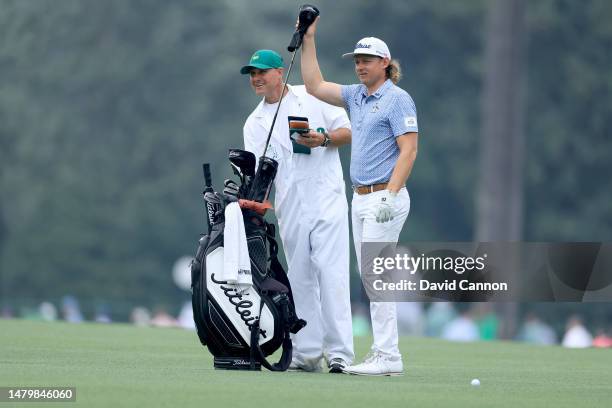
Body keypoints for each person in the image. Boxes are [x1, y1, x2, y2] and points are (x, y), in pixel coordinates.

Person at [301, 19, 419, 376]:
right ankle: (385, 353)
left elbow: (409, 150)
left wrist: (391, 194)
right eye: (357, 60)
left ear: (385, 62)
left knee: (376, 277)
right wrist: (309, 38)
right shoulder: (356, 96)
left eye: (367, 59)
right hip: (361, 198)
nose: (360, 65)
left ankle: (388, 356)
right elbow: (314, 85)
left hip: (386, 197)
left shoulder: (398, 99)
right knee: (370, 277)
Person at [241, 49, 354, 373]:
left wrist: (322, 139)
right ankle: (307, 352)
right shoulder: (254, 123)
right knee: (300, 278)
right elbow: (259, 174)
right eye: (252, 74)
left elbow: (347, 132)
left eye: (262, 72)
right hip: (290, 205)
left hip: (326, 198)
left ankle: (340, 354)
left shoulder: (313, 96)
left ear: (280, 72)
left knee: (331, 274)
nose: (256, 78)